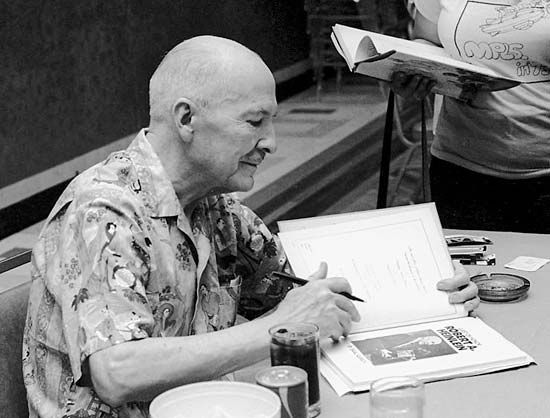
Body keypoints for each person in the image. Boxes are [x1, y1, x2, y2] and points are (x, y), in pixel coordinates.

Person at [22, 35, 479, 418]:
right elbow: (117, 372)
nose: (272, 143)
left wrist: (432, 293)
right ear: (186, 120)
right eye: (255, 122)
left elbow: (309, 294)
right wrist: (276, 327)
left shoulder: (215, 208)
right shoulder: (103, 210)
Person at [391, 0, 550, 232]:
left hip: (543, 166)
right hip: (459, 165)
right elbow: (427, 40)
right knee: (466, 266)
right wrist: (415, 71)